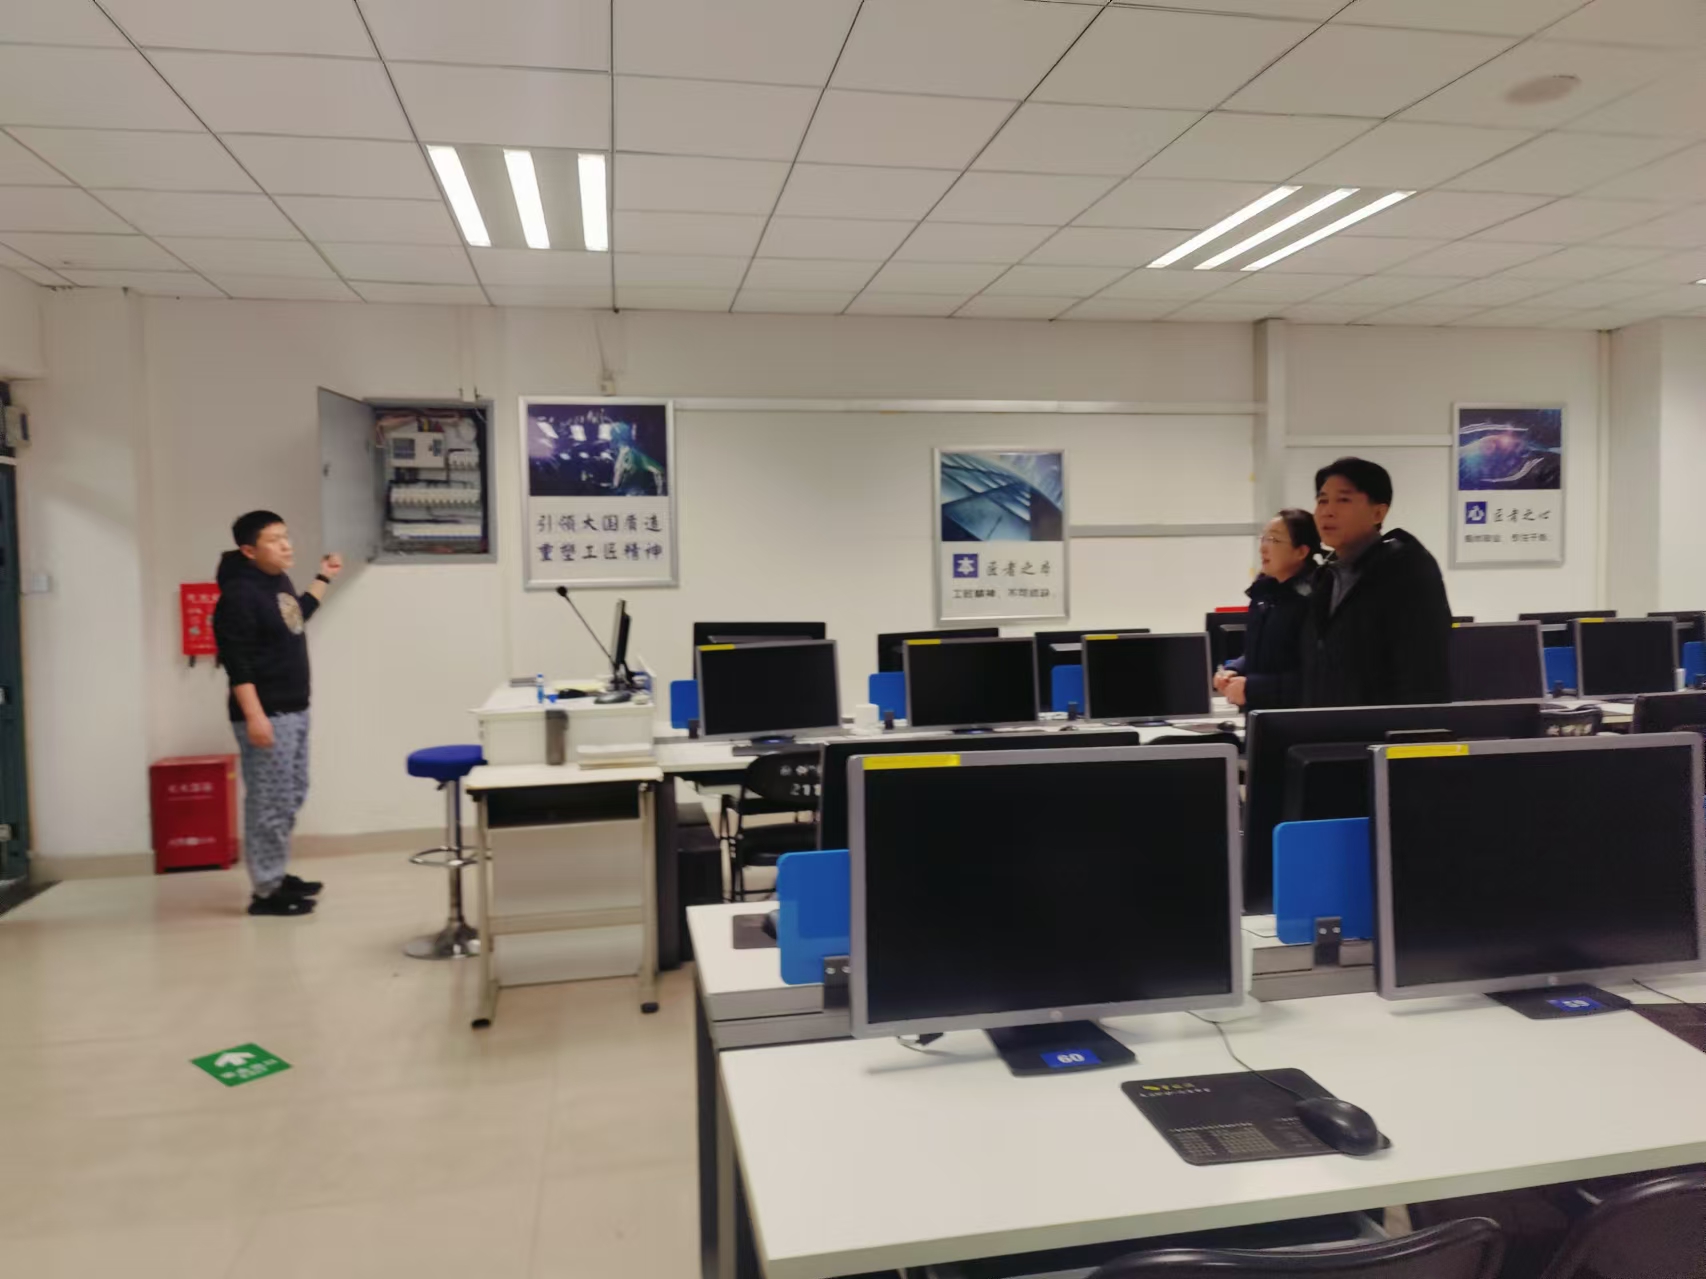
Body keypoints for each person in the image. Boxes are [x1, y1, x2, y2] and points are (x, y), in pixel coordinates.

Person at [212, 511, 342, 917]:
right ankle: (266, 892)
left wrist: (324, 577)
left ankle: (276, 873)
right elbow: (237, 664)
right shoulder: (238, 596)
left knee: (291, 793)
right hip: (268, 713)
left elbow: (296, 615)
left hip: (294, 708)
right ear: (249, 550)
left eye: (286, 536)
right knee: (269, 802)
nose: (286, 545)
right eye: (274, 540)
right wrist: (255, 717)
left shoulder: (276, 581)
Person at [1300, 457, 1452, 707]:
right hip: (1328, 725)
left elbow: (1424, 672)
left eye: (1343, 500)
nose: (1327, 511)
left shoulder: (1406, 572)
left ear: (1378, 512)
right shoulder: (1326, 577)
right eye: (1322, 500)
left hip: (1381, 728)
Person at [1214, 508, 1320, 711]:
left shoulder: (1312, 599)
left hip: (1294, 719)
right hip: (1260, 714)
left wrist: (1252, 688)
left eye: (1274, 540)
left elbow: (1313, 679)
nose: (1263, 548)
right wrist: (1234, 669)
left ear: (1301, 551)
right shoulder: (1264, 594)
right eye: (1263, 539)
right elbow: (1259, 654)